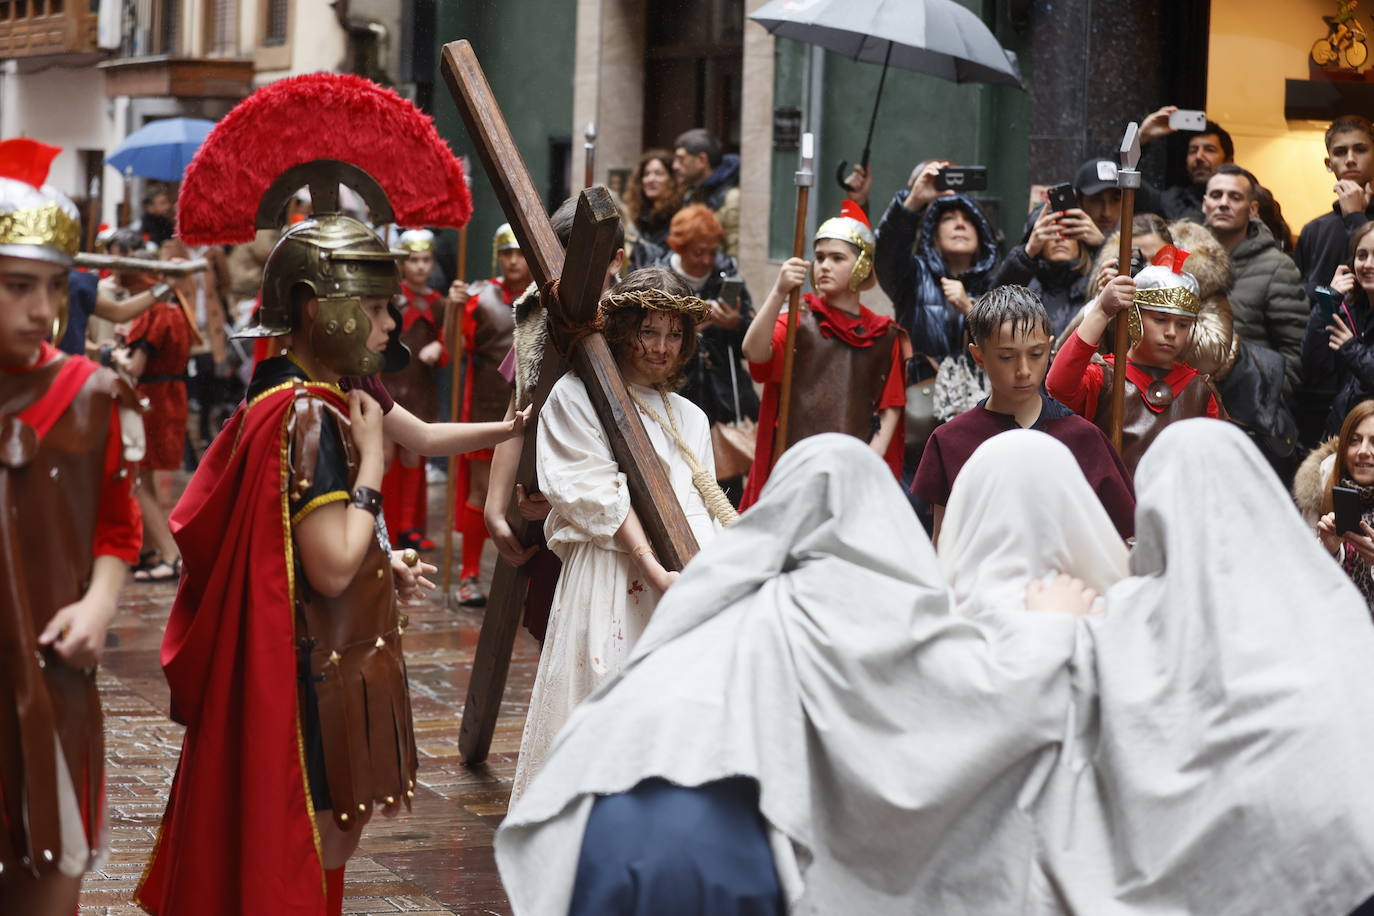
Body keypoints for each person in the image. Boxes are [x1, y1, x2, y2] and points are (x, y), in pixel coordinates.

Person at [495, 434, 1111, 914]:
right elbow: (959, 714)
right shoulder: (850, 606)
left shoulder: (719, 589)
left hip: (603, 819)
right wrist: (1051, 630)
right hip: (718, 847)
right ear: (881, 516)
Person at [135, 167, 439, 915]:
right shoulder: (310, 417)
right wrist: (373, 466)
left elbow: (302, 550)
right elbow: (330, 567)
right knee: (314, 848)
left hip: (303, 658)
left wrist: (381, 556)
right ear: (314, 310)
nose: (390, 327)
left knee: (316, 851)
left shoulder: (280, 399)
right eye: (372, 309)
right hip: (314, 675)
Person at [509, 268, 725, 803]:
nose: (661, 347)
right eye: (648, 331)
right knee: (602, 704)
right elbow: (596, 493)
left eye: (674, 334)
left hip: (683, 581)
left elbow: (703, 505)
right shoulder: (576, 396)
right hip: (610, 576)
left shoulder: (691, 416)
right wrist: (651, 565)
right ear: (623, 328)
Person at [0, 138, 142, 916]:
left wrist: (99, 604)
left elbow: (118, 532)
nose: (42, 310)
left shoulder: (91, 396)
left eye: (53, 286)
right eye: (17, 285)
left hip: (52, 686)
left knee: (51, 881)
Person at [483, 197, 626, 642]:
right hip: (546, 513)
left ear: (616, 260)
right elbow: (518, 411)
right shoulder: (537, 317)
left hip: (611, 514)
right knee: (554, 636)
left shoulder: (633, 325)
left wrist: (568, 494)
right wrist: (494, 506)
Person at [914, 286, 1134, 542]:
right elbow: (943, 541)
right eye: (1007, 357)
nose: (1024, 370)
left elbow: (1118, 542)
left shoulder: (1083, 438)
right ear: (979, 356)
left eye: (1036, 354)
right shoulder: (950, 441)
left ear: (1049, 349)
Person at [740, 201, 907, 508]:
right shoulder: (799, 318)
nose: (824, 265)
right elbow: (754, 351)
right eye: (819, 258)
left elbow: (890, 406)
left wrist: (868, 461)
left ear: (861, 266)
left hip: (852, 469)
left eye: (836, 258)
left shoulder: (885, 334)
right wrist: (778, 293)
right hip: (795, 466)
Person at [1046, 250, 1221, 475]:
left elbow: (1214, 462)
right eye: (1160, 319)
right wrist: (1101, 310)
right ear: (1134, 316)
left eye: (1183, 324)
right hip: (1115, 505)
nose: (1171, 332)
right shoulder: (1106, 376)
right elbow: (1058, 386)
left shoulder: (1199, 390)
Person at [113, 239, 202, 582]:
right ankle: (150, 551)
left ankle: (168, 554)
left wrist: (114, 355)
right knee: (145, 477)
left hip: (153, 398)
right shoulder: (175, 307)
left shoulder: (156, 311)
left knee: (139, 479)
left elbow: (135, 366)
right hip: (168, 395)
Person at [657, 205, 758, 498]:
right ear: (680, 248)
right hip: (676, 392)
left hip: (725, 400)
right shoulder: (661, 276)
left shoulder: (727, 274)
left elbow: (752, 341)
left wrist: (735, 323)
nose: (706, 260)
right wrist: (688, 332)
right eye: (698, 253)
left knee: (727, 488)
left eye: (712, 253)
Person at [449, 222, 525, 605]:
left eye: (518, 252)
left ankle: (520, 577)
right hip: (486, 407)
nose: (512, 260)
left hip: (528, 412)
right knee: (481, 493)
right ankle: (469, 575)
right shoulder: (480, 297)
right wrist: (453, 309)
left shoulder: (544, 297)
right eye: (506, 252)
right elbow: (453, 351)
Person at [874, 161, 1001, 369]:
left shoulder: (997, 287)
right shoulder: (912, 277)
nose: (960, 224)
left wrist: (971, 309)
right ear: (933, 233)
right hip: (919, 397)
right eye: (949, 218)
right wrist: (914, 200)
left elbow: (1009, 345)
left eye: (969, 220)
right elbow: (888, 252)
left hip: (982, 399)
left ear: (982, 234)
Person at [1202, 163, 1306, 394]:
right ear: (1204, 203)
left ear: (1252, 209)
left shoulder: (1277, 267)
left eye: (1235, 197)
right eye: (1216, 195)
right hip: (1190, 401)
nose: (1223, 203)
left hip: (1247, 408)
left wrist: (1265, 400)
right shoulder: (1186, 258)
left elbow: (1295, 351)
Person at [377, 228, 449, 553]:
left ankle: (407, 526)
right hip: (388, 383)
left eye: (425, 260)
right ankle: (384, 525)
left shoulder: (439, 303)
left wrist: (439, 344)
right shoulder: (388, 298)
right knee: (384, 455)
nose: (420, 266)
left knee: (411, 455)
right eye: (413, 260)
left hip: (420, 387)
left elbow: (452, 344)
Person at [1303, 222, 1374, 438]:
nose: (1368, 264)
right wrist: (1329, 299)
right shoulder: (1350, 308)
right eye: (1362, 255)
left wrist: (1351, 348)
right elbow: (1312, 361)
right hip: (1342, 431)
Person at [991, 194, 1093, 336]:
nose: (1059, 238)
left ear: (1081, 240)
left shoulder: (1097, 281)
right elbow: (990, 314)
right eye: (1050, 231)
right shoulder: (1022, 289)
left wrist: (1101, 243)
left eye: (1067, 230)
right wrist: (1027, 252)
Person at [1295, 115, 1374, 297]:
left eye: (1360, 150)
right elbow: (1300, 294)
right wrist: (1329, 294)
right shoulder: (1314, 230)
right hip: (1322, 324)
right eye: (1340, 152)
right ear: (1329, 164)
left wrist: (1355, 218)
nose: (1350, 159)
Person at [1310, 399, 1374, 610]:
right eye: (1354, 440)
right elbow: (1304, 582)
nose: (1363, 450)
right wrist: (1329, 550)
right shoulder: (1320, 488)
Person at [1136, 108, 1235, 223]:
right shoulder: (1170, 201)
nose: (1199, 157)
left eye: (1209, 150)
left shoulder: (1244, 202)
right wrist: (1141, 136)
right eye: (1193, 150)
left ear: (1228, 161)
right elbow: (1114, 173)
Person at [672, 128, 741, 258]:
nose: (675, 166)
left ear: (702, 160)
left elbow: (734, 257)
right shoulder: (691, 194)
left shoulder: (731, 199)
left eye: (681, 159)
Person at [623, 148, 683, 255]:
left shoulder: (680, 215)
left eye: (658, 174)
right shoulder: (638, 215)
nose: (651, 179)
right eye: (646, 174)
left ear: (672, 180)